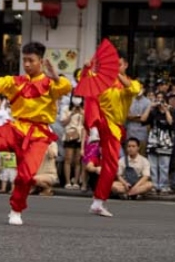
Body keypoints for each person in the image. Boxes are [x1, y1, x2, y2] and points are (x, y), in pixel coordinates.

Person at [0, 42, 70, 225]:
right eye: (25, 60)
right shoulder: (16, 81)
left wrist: (55, 77)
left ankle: (16, 208)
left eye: (31, 60)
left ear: (41, 61)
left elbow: (66, 87)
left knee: (25, 176)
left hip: (39, 134)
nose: (27, 64)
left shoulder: (50, 84)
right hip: (17, 126)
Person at [86, 57, 141, 218]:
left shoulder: (133, 83)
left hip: (114, 127)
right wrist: (87, 69)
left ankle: (98, 202)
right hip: (102, 123)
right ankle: (93, 127)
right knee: (91, 92)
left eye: (119, 65)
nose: (115, 68)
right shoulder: (102, 81)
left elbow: (132, 90)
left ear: (126, 65)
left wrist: (115, 74)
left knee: (110, 166)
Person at [60, 97, 84, 189]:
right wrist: (72, 114)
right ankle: (67, 182)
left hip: (80, 136)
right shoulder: (66, 108)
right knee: (68, 159)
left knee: (78, 160)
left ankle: (76, 182)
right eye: (75, 96)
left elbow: (87, 123)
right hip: (70, 135)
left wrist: (82, 113)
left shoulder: (84, 109)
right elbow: (63, 123)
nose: (77, 99)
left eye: (79, 97)